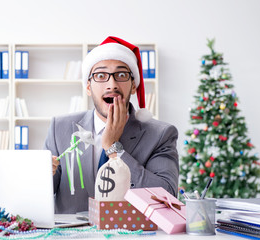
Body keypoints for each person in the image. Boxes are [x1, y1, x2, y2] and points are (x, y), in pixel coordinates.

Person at [44, 36, 179, 214]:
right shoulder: (59, 128)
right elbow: (40, 194)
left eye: (121, 75)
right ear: (88, 86)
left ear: (133, 86)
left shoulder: (161, 134)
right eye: (101, 75)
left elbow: (167, 197)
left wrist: (114, 148)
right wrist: (42, 175)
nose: (112, 84)